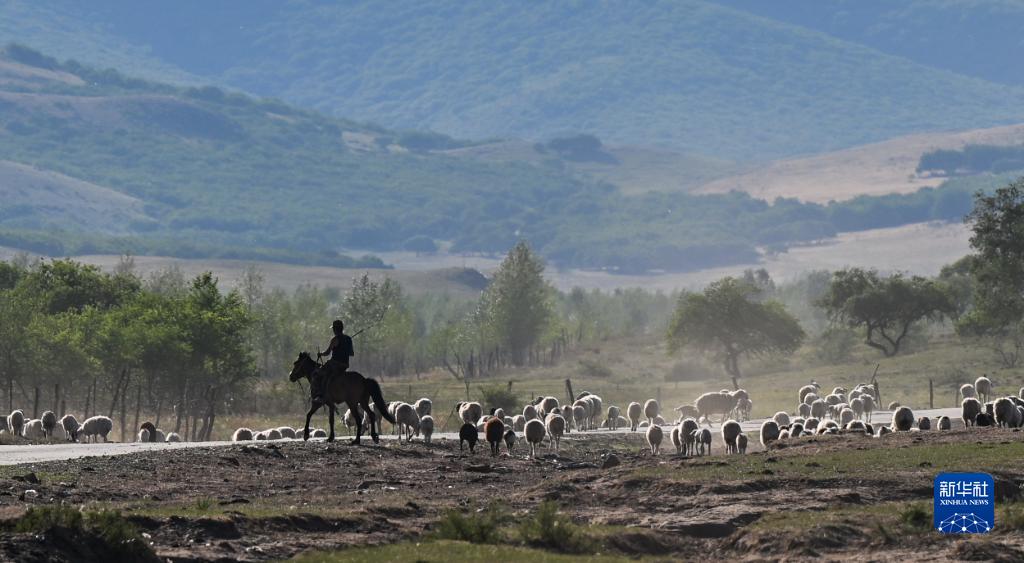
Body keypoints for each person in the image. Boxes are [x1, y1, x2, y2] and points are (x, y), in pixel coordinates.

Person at [313, 320, 355, 402]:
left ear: (335, 329)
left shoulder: (335, 339)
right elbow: (351, 353)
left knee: (317, 374)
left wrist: (320, 354)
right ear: (342, 328)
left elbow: (327, 352)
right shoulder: (348, 339)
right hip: (345, 365)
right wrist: (345, 349)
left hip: (335, 364)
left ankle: (320, 395)